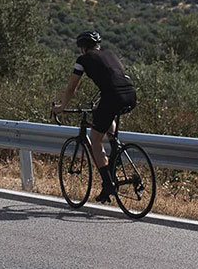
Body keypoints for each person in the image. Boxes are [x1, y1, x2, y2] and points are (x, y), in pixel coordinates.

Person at [51, 30, 137, 202]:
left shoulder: (82, 60)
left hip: (112, 97)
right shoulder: (111, 54)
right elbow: (114, 80)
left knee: (95, 140)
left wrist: (61, 107)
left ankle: (107, 184)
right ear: (98, 45)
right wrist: (101, 102)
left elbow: (71, 89)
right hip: (130, 94)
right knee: (104, 113)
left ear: (83, 48)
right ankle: (115, 148)